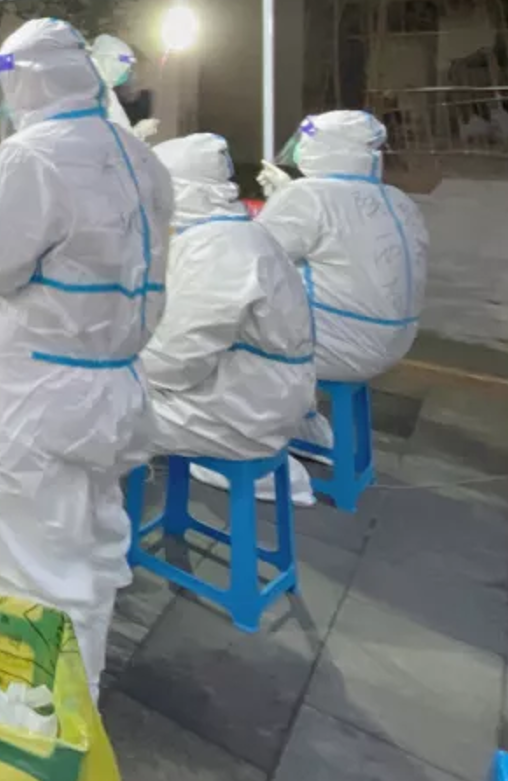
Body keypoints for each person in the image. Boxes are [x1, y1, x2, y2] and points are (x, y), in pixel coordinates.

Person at [0, 18, 173, 702]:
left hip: (38, 400)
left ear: (26, 79)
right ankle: (81, 690)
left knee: (33, 565)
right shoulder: (138, 157)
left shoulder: (31, 158)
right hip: (113, 388)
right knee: (91, 550)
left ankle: (39, 716)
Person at [141, 134, 316, 497]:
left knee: (85, 409)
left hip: (243, 412)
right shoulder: (227, 233)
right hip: (254, 391)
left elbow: (176, 363)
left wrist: (110, 365)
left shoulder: (217, 249)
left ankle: (84, 526)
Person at [256, 110, 429, 446]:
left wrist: (281, 201)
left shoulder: (308, 196)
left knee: (225, 326)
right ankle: (306, 425)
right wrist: (286, 194)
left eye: (306, 140)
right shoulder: (398, 199)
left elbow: (255, 256)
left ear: (326, 147)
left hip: (339, 345)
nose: (299, 148)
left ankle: (245, 445)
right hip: (395, 341)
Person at [89, 34, 161, 141]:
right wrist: (139, 132)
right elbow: (119, 142)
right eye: (124, 65)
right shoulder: (100, 95)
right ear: (108, 61)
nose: (128, 71)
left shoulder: (97, 89)